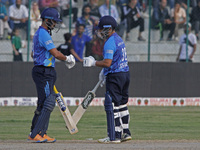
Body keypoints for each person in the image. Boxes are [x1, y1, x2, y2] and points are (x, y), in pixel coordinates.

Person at [28, 7, 76, 143]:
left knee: (44, 103)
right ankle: (37, 133)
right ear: (48, 21)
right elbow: (55, 53)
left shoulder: (41, 34)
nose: (55, 24)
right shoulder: (43, 33)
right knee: (47, 103)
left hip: (44, 70)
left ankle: (38, 132)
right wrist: (68, 58)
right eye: (54, 22)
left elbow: (33, 53)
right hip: (44, 71)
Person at [83, 15, 131, 143]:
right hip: (125, 73)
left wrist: (94, 63)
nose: (99, 32)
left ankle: (114, 135)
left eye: (101, 29)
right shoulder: (118, 39)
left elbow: (108, 62)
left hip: (115, 75)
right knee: (122, 104)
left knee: (112, 104)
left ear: (108, 29)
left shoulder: (109, 42)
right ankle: (125, 132)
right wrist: (104, 71)